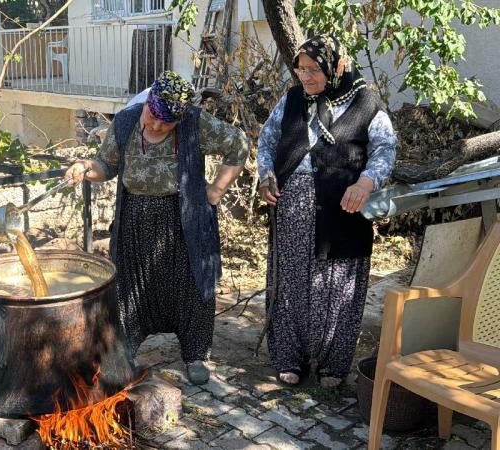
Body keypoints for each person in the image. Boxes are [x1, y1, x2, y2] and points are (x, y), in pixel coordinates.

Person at [65, 71, 250, 385]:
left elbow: (238, 144)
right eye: (152, 118)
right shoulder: (126, 122)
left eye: (166, 124)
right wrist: (84, 168)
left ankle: (195, 355)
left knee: (192, 288)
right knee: (129, 289)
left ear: (180, 119)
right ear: (147, 104)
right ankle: (126, 349)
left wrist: (217, 190)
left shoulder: (195, 122)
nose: (156, 126)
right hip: (135, 217)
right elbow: (105, 165)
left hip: (183, 218)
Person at [256, 35, 397, 388]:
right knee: (290, 282)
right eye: (300, 69)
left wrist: (366, 183)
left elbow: (385, 149)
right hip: (292, 206)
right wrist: (266, 175)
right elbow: (268, 141)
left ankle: (333, 363)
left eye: (313, 70)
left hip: (344, 208)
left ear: (336, 67)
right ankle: (290, 356)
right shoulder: (292, 100)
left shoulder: (366, 103)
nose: (305, 77)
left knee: (337, 284)